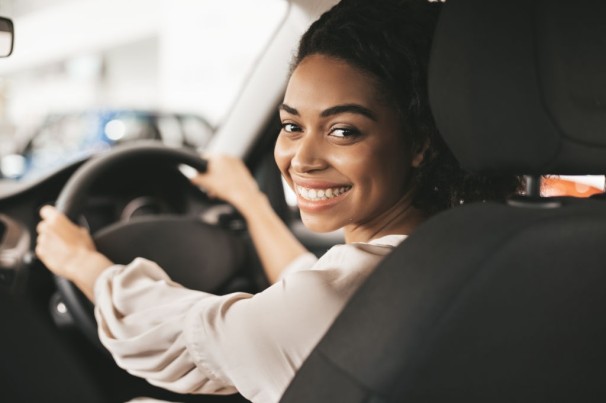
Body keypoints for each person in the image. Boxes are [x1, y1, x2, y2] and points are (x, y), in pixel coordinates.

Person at [35, 0, 521, 402]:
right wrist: (251, 203)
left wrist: (83, 263)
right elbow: (310, 289)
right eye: (291, 126)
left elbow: (182, 334)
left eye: (343, 131)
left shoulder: (338, 303)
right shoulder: (482, 252)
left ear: (420, 142)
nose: (301, 159)